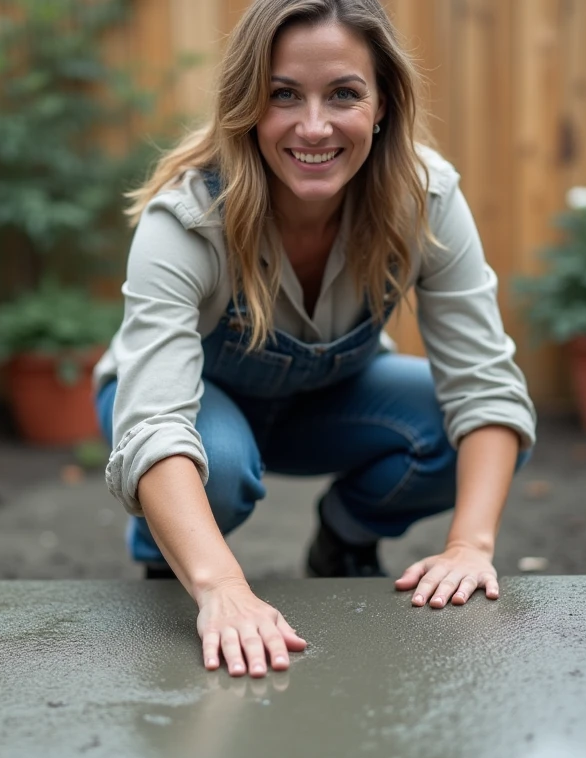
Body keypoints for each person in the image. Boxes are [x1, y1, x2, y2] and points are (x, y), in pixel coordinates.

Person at [93, 0, 536, 678]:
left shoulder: (427, 200)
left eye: (344, 94)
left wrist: (470, 547)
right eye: (283, 95)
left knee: (456, 432)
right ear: (247, 104)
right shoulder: (185, 220)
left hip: (324, 402)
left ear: (382, 102)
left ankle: (345, 541)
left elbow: (488, 388)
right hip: (191, 412)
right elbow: (154, 423)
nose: (314, 125)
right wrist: (225, 590)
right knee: (220, 466)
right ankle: (168, 551)